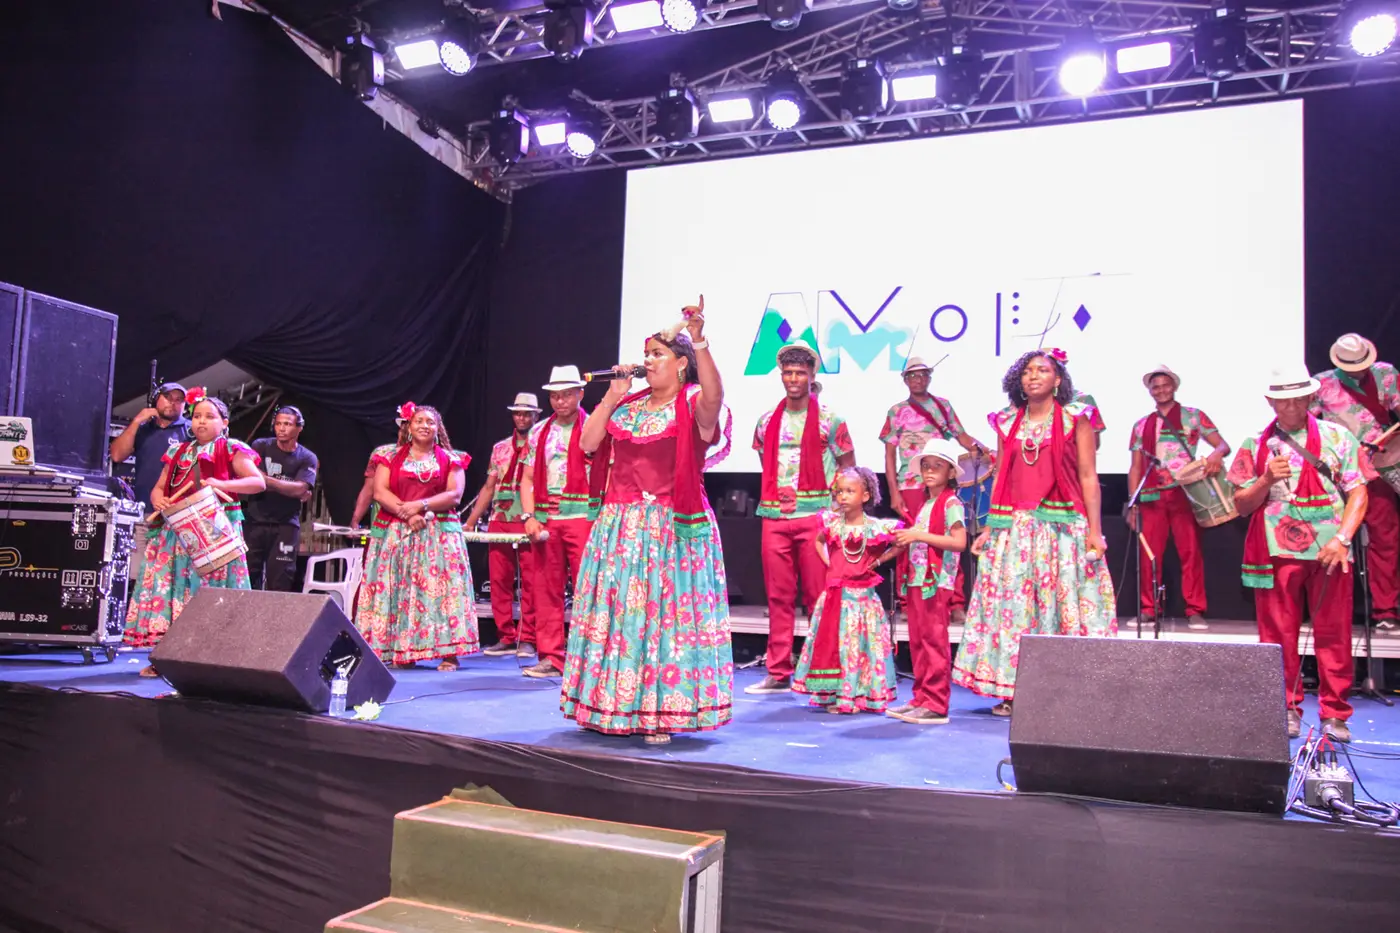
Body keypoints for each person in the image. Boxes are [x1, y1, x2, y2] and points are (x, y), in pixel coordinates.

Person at [562, 297, 733, 743]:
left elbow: (715, 397)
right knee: (621, 618)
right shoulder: (629, 406)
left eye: (657, 354)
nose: (648, 361)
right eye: (647, 354)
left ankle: (662, 710)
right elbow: (587, 444)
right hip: (620, 528)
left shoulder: (692, 403)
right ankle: (614, 705)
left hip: (671, 526)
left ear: (681, 364)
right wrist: (613, 395)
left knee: (664, 620)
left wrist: (700, 341)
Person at [952, 349, 1117, 716]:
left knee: (1062, 608)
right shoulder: (1007, 422)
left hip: (1062, 527)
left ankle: (1066, 690)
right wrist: (990, 528)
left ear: (1058, 380)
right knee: (1016, 611)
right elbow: (1002, 476)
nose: (1033, 375)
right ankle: (1015, 690)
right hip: (1016, 529)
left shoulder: (1076, 419)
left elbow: (1088, 475)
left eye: (1043, 370)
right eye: (1027, 370)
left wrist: (1095, 530)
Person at [1228, 365, 1367, 743]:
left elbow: (1358, 491)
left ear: (1310, 397)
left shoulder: (1338, 437)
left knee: (1334, 633)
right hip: (1276, 552)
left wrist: (1343, 539)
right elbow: (1241, 505)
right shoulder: (1254, 444)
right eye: (1282, 399)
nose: (1290, 406)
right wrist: (1265, 478)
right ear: (1270, 402)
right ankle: (1285, 709)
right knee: (1277, 637)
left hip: (1331, 551)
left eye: (1297, 398)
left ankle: (1335, 713)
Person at [123, 390, 265, 676]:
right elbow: (159, 487)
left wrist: (221, 485)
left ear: (224, 422)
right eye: (197, 416)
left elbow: (257, 482)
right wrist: (159, 500)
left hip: (214, 532)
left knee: (210, 592)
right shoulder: (179, 451)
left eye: (209, 417)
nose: (201, 421)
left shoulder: (230, 448)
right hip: (176, 531)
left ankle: (211, 658)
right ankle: (166, 658)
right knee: (171, 589)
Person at [746, 340, 855, 696]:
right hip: (775, 516)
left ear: (811, 376)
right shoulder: (766, 421)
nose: (794, 379)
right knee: (778, 597)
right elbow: (766, 464)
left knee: (818, 596)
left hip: (815, 516)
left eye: (800, 373)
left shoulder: (830, 419)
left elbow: (848, 467)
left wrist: (839, 510)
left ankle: (823, 672)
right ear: (781, 375)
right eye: (788, 373)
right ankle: (779, 671)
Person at [354, 403, 477, 671]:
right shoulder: (388, 455)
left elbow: (454, 495)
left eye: (430, 422)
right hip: (399, 532)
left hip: (438, 535)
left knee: (442, 591)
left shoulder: (452, 459)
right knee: (400, 587)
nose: (425, 425)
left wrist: (420, 505)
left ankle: (449, 653)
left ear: (438, 428)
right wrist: (408, 514)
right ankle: (402, 650)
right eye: (419, 421)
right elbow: (380, 492)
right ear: (408, 426)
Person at [879, 356, 984, 623]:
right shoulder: (896, 411)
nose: (918, 379)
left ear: (929, 377)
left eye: (923, 374)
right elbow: (889, 456)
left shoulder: (942, 406)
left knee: (948, 540)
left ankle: (954, 602)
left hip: (941, 484)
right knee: (910, 541)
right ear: (905, 380)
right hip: (910, 484)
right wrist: (894, 492)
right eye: (913, 375)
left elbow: (961, 436)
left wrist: (984, 450)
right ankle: (908, 602)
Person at [1125, 366, 1230, 630]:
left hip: (1185, 493)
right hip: (1151, 495)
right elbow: (1135, 467)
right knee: (1149, 555)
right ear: (1150, 391)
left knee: (1190, 552)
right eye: (1155, 386)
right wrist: (1132, 502)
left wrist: (1215, 455)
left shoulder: (1192, 416)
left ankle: (1195, 610)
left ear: (1174, 387)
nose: (1161, 390)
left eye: (1165, 385)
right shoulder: (1141, 425)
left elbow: (1222, 445)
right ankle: (1149, 609)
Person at [791, 467, 900, 713]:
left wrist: (880, 561)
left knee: (861, 649)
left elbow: (900, 543)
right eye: (840, 492)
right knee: (839, 648)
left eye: (850, 491)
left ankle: (858, 695)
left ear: (865, 495)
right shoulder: (832, 524)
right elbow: (818, 541)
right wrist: (829, 563)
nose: (843, 496)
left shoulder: (875, 527)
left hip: (863, 602)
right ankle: (838, 694)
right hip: (836, 599)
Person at [1312, 333, 1400, 629]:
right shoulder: (1322, 383)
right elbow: (1308, 426)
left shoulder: (1386, 374)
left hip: (1378, 468)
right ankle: (1326, 608)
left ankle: (1385, 610)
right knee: (1330, 537)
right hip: (1338, 472)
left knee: (1385, 538)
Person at [520, 366, 593, 680]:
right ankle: (551, 656)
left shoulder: (596, 426)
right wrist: (528, 516)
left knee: (589, 588)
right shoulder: (539, 432)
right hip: (547, 517)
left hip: (584, 516)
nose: (560, 401)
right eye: (554, 396)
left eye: (566, 395)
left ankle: (589, 657)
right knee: (546, 588)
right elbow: (526, 479)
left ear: (580, 394)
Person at [890, 439, 967, 725]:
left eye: (938, 465)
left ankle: (936, 702)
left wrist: (917, 535)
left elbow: (959, 542)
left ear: (951, 472)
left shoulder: (951, 503)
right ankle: (921, 697)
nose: (930, 471)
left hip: (936, 582)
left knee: (934, 641)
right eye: (926, 466)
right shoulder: (928, 503)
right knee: (919, 641)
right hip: (918, 580)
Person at [465, 392, 542, 658]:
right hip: (500, 518)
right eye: (517, 413)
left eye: (526, 414)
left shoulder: (543, 444)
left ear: (536, 416)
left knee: (532, 581)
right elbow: (489, 487)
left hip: (529, 518)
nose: (521, 418)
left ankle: (528, 637)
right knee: (499, 580)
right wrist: (471, 522)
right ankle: (506, 635)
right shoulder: (500, 448)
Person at [109, 382, 192, 582]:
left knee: (170, 578)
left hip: (176, 515)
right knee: (137, 576)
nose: (173, 403)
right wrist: (137, 421)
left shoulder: (190, 430)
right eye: (168, 397)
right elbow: (117, 455)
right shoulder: (143, 428)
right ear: (156, 399)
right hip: (144, 513)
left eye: (179, 400)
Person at [243, 405, 319, 591]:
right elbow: (249, 476)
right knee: (248, 576)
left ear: (299, 428)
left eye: (287, 424)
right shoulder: (260, 446)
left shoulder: (307, 457)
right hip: (254, 521)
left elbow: (300, 489)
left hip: (285, 525)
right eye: (278, 424)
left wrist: (265, 480)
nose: (281, 428)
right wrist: (287, 486)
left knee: (281, 579)